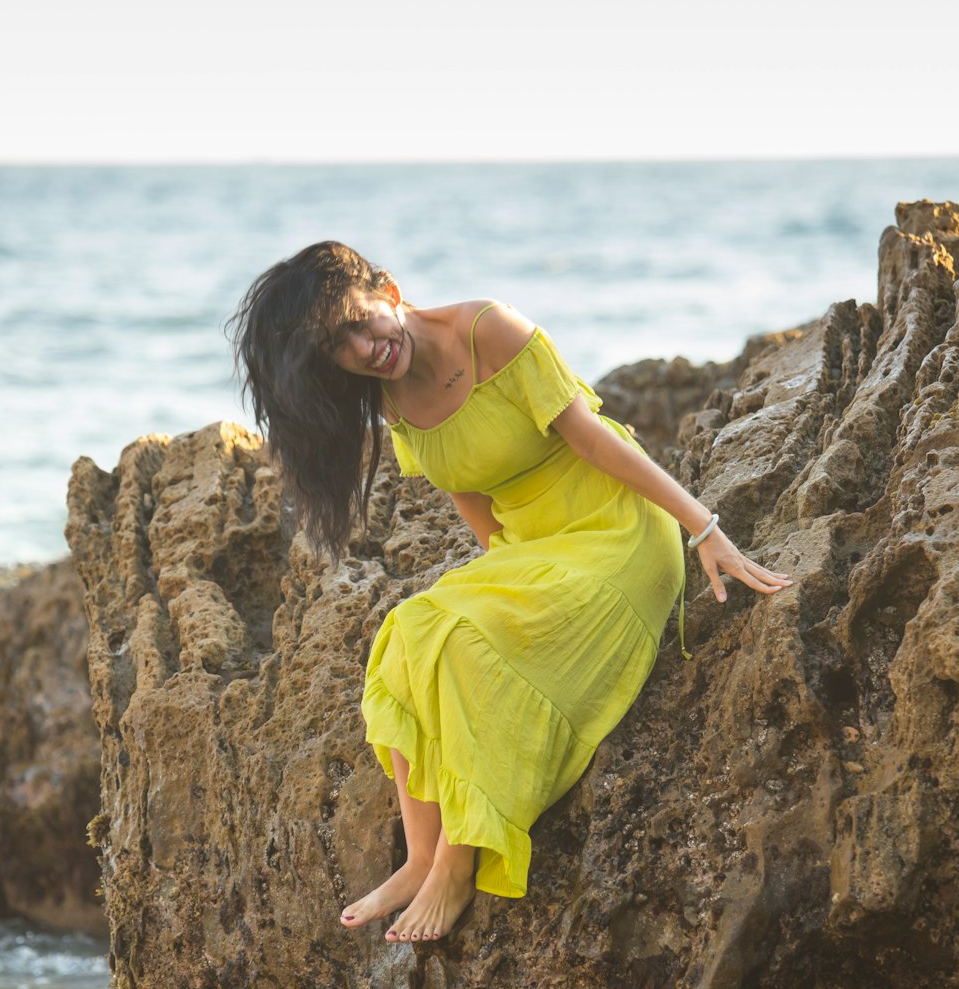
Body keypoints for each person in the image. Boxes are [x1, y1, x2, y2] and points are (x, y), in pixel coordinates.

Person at [230, 241, 791, 945]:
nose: (365, 347)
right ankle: (422, 853)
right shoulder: (392, 398)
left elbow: (598, 444)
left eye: (363, 321)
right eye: (339, 345)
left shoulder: (490, 330)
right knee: (409, 631)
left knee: (462, 643)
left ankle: (457, 866)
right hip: (536, 549)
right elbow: (470, 492)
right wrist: (510, 591)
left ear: (390, 291)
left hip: (617, 536)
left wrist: (702, 527)